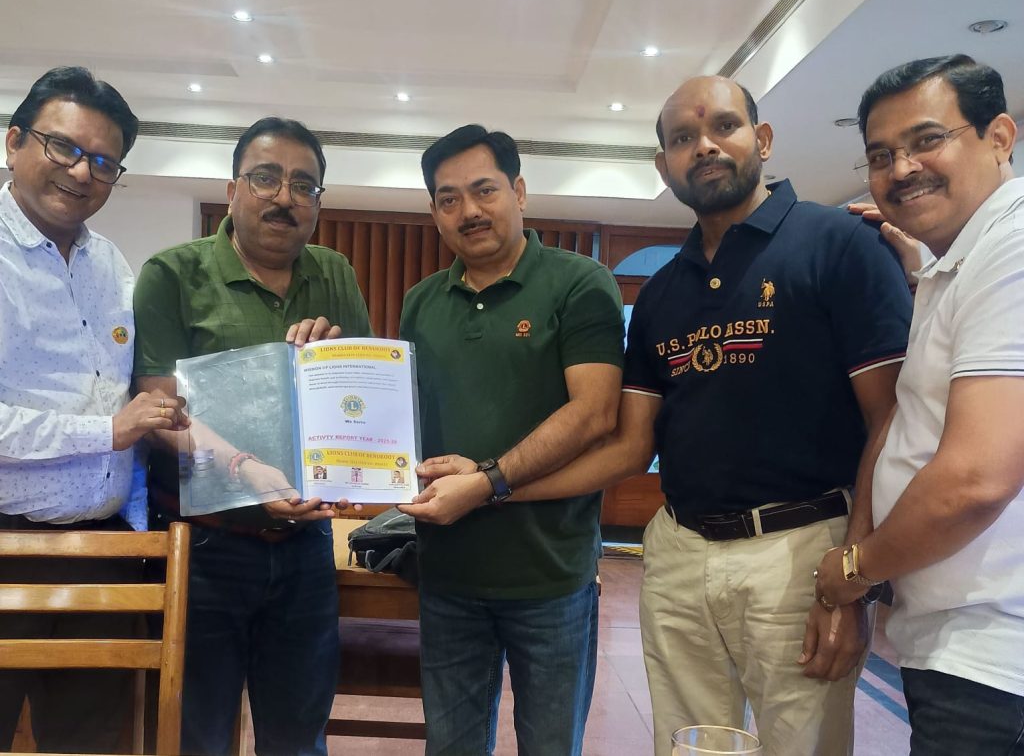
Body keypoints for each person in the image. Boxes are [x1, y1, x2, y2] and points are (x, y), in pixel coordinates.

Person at [466, 76, 914, 756]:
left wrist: (854, 577)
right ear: (663, 165)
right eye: (682, 138)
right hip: (678, 552)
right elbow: (629, 447)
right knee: (686, 746)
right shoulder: (661, 293)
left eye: (724, 126)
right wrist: (495, 485)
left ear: (762, 139)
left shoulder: (840, 244)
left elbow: (890, 419)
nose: (704, 146)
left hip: (801, 551)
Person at [133, 117, 371, 756]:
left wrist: (335, 363)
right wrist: (245, 471)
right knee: (197, 737)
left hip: (305, 549)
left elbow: (358, 402)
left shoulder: (334, 273)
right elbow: (159, 407)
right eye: (266, 178)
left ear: (317, 203)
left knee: (298, 738)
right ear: (233, 189)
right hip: (203, 549)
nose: (284, 197)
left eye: (304, 185)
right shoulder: (173, 274)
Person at [813, 55, 1024, 755]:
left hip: (997, 656)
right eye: (881, 154)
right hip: (964, 648)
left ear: (999, 137)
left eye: (928, 140)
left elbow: (975, 479)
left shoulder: (1014, 249)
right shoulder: (960, 262)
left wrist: (856, 569)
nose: (902, 168)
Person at [397, 124, 624, 756]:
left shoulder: (579, 283)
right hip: (448, 573)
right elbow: (405, 422)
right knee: (450, 747)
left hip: (549, 575)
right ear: (435, 212)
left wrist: (487, 480)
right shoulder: (420, 302)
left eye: (484, 190)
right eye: (448, 199)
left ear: (518, 191)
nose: (468, 210)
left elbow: (595, 412)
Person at [0, 66, 181, 753]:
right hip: (7, 544)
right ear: (14, 140)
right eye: (64, 147)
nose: (82, 172)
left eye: (104, 162)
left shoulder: (113, 266)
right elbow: (114, 422)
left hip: (104, 552)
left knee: (96, 744)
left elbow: (133, 393)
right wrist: (108, 430)